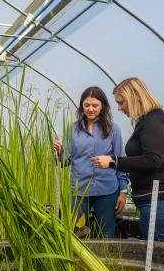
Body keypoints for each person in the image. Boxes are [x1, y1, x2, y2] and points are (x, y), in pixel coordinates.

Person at [91, 77, 164, 244]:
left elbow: (153, 160)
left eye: (122, 102)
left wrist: (114, 161)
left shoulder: (154, 120)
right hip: (156, 201)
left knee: (160, 258)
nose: (119, 108)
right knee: (158, 258)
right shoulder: (146, 121)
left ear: (135, 97)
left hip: (162, 202)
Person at [54, 86, 128, 238]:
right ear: (82, 106)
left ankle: (104, 262)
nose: (90, 109)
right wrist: (59, 152)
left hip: (107, 190)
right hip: (79, 191)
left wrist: (123, 191)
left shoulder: (114, 129)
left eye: (95, 105)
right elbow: (65, 161)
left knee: (106, 234)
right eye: (86, 105)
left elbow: (120, 160)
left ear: (103, 106)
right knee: (77, 233)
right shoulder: (72, 129)